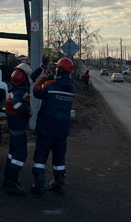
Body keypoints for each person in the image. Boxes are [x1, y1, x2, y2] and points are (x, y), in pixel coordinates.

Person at [30, 57, 76, 196]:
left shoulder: (51, 86)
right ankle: (59, 184)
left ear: (59, 70)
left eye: (57, 67)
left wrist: (45, 78)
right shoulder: (72, 89)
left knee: (40, 158)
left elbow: (37, 92)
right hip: (62, 131)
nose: (55, 69)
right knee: (59, 159)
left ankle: (39, 185)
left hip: (46, 129)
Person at [3, 62, 33, 196]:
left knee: (12, 153)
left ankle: (8, 181)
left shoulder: (15, 88)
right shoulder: (20, 92)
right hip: (18, 127)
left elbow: (30, 79)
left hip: (14, 127)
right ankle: (11, 184)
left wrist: (42, 68)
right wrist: (28, 111)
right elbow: (17, 105)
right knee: (20, 155)